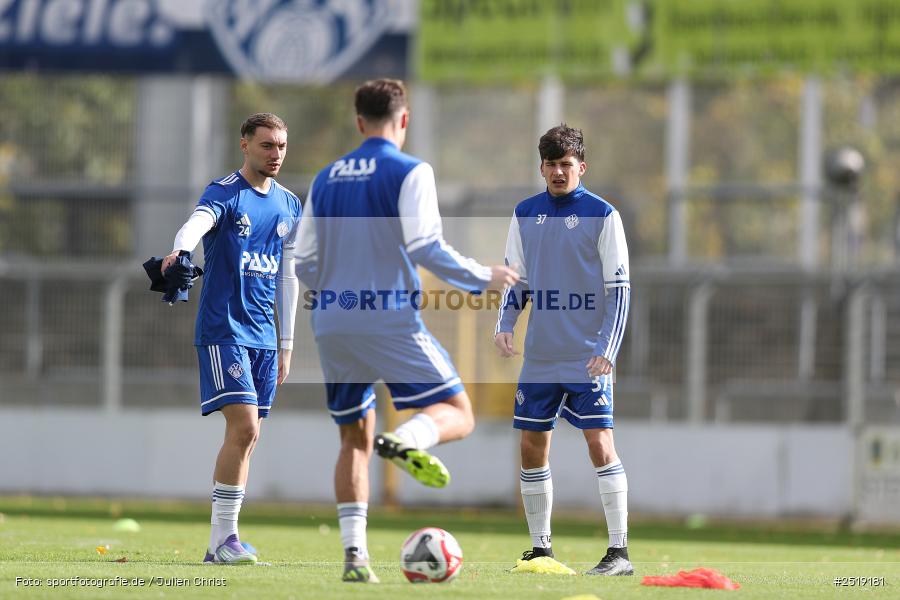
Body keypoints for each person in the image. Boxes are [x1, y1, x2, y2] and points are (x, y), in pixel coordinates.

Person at [295, 79, 518, 583]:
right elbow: (426, 247)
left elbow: (303, 261)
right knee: (458, 412)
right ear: (404, 119)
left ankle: (355, 558)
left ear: (359, 122)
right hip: (387, 317)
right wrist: (483, 276)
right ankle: (408, 439)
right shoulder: (411, 170)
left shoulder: (326, 177)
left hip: (331, 319)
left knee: (354, 437)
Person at [161, 113, 301, 565]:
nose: (275, 154)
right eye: (266, 145)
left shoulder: (289, 204)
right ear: (245, 145)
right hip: (224, 329)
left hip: (264, 337)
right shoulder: (225, 192)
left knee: (249, 436)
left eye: (281, 146)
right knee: (244, 426)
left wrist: (286, 343)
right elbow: (196, 223)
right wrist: (181, 249)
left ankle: (222, 542)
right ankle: (224, 540)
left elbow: (288, 276)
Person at [494, 124, 633, 576]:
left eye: (566, 165)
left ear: (581, 167)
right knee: (532, 445)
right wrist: (505, 326)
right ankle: (541, 550)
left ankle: (619, 553)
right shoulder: (524, 213)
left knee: (600, 443)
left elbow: (619, 289)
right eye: (551, 164)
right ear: (541, 168)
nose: (558, 172)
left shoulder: (603, 214)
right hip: (541, 356)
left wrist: (607, 348)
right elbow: (517, 279)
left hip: (588, 356)